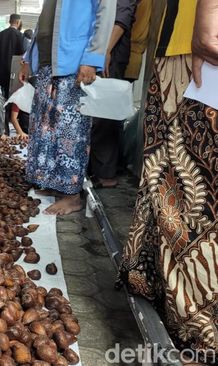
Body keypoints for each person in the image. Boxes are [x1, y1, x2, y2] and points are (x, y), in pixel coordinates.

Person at [118, 0, 218, 352]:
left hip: (191, 43)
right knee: (185, 186)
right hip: (195, 47)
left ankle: (174, 300)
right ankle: (189, 316)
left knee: (178, 180)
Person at [20, 0, 115, 215]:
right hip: (48, 64)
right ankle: (54, 183)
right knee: (46, 129)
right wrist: (28, 58)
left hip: (72, 62)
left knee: (69, 133)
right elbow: (45, 20)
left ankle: (71, 195)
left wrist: (92, 58)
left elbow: (105, 13)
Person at [88, 0, 138, 189]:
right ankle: (98, 169)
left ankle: (105, 174)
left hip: (111, 55)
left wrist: (105, 50)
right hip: (101, 53)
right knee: (97, 114)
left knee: (105, 116)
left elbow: (122, 19)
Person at [0, 14, 25, 100]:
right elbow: (22, 53)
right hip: (13, 69)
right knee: (10, 93)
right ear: (18, 22)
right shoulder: (20, 35)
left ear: (9, 21)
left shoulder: (1, 34)